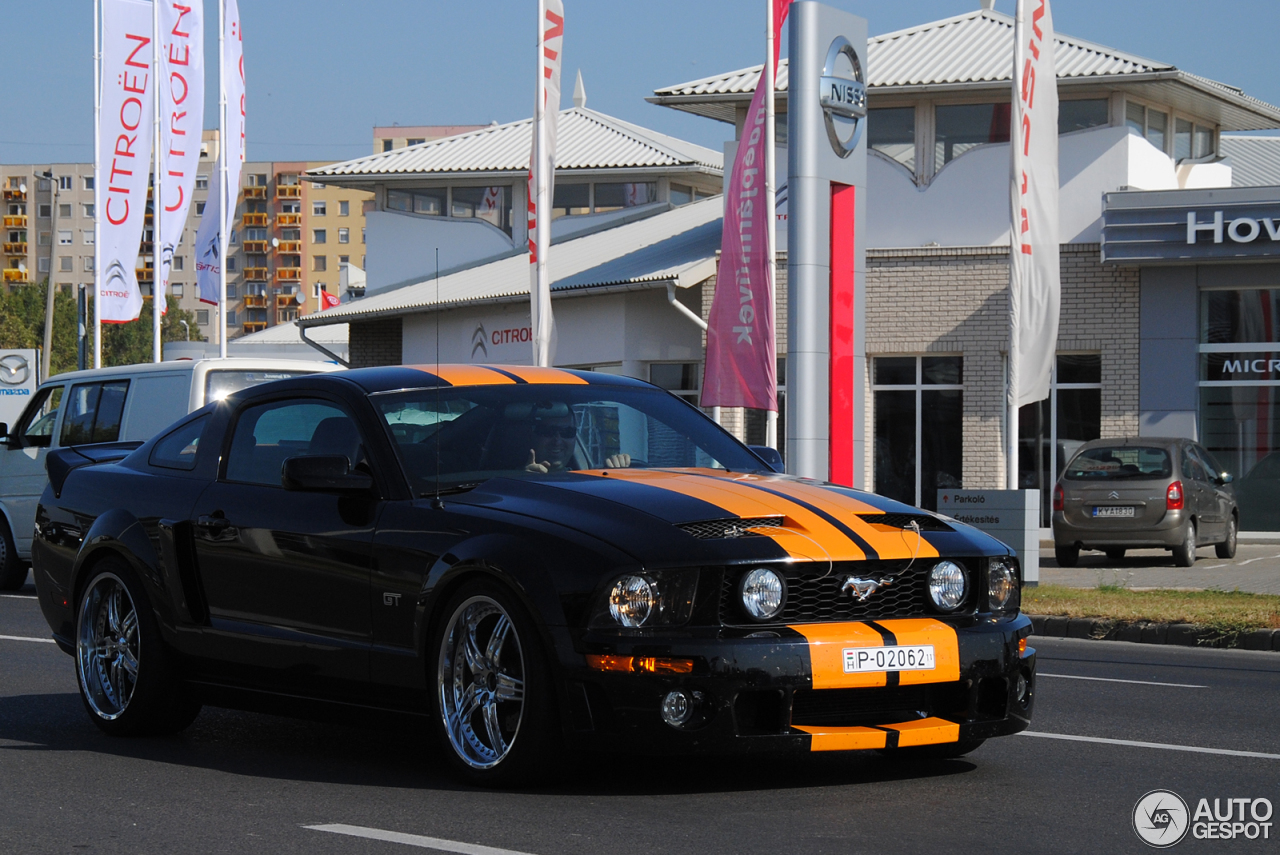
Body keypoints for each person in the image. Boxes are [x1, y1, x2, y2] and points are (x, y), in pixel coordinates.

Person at [524, 403, 630, 473]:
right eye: (548, 432)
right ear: (533, 436)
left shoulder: (586, 478)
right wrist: (526, 481)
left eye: (567, 432)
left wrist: (615, 473)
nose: (558, 440)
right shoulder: (511, 482)